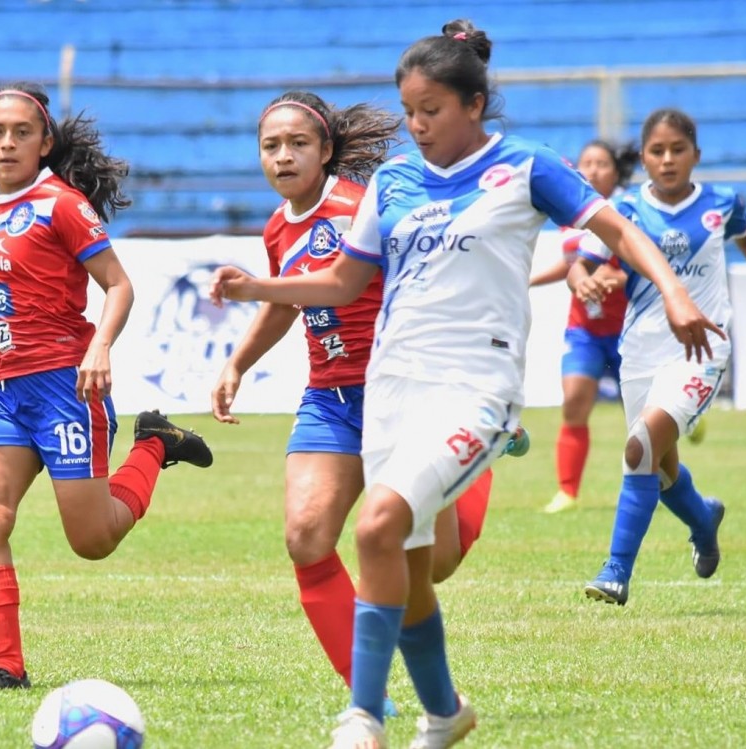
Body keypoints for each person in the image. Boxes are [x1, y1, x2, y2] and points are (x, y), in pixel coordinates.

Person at [210, 22, 720, 749]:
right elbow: (344, 279)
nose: (416, 125)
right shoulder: (391, 182)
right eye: (409, 110)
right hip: (390, 389)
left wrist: (671, 290)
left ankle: (361, 717)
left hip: (476, 387)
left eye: (432, 110)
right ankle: (445, 712)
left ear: (475, 105)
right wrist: (254, 285)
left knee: (376, 527)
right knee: (413, 568)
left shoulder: (525, 166)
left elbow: (617, 228)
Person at [210, 90, 526, 714]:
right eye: (270, 146)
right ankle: (369, 701)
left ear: (326, 151)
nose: (283, 156)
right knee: (306, 537)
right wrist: (238, 362)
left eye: (298, 143)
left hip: (406, 389)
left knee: (432, 565)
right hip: (330, 398)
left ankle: (480, 455)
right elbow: (289, 298)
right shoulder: (279, 227)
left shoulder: (368, 204)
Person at [0, 82, 213, 691]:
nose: (9, 142)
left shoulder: (62, 204)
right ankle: (5, 669)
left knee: (92, 541)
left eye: (22, 132)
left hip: (65, 388)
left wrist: (99, 346)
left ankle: (155, 444)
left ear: (45, 142)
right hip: (3, 390)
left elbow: (118, 285)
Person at [576, 108, 746, 606]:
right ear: (643, 158)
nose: (667, 160)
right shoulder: (625, 210)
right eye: (657, 151)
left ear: (696, 156)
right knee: (660, 468)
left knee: (639, 448)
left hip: (702, 346)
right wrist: (584, 280)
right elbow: (584, 263)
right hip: (639, 351)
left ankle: (616, 571)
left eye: (677, 150)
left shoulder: (722, 204)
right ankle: (703, 519)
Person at [530, 139, 638, 514]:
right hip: (586, 330)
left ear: (616, 172)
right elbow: (573, 264)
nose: (592, 170)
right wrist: (529, 280)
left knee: (646, 413)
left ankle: (658, 479)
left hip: (631, 329)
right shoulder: (569, 216)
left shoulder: (631, 211)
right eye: (586, 163)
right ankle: (568, 491)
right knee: (575, 400)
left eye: (601, 164)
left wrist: (619, 280)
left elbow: (647, 264)